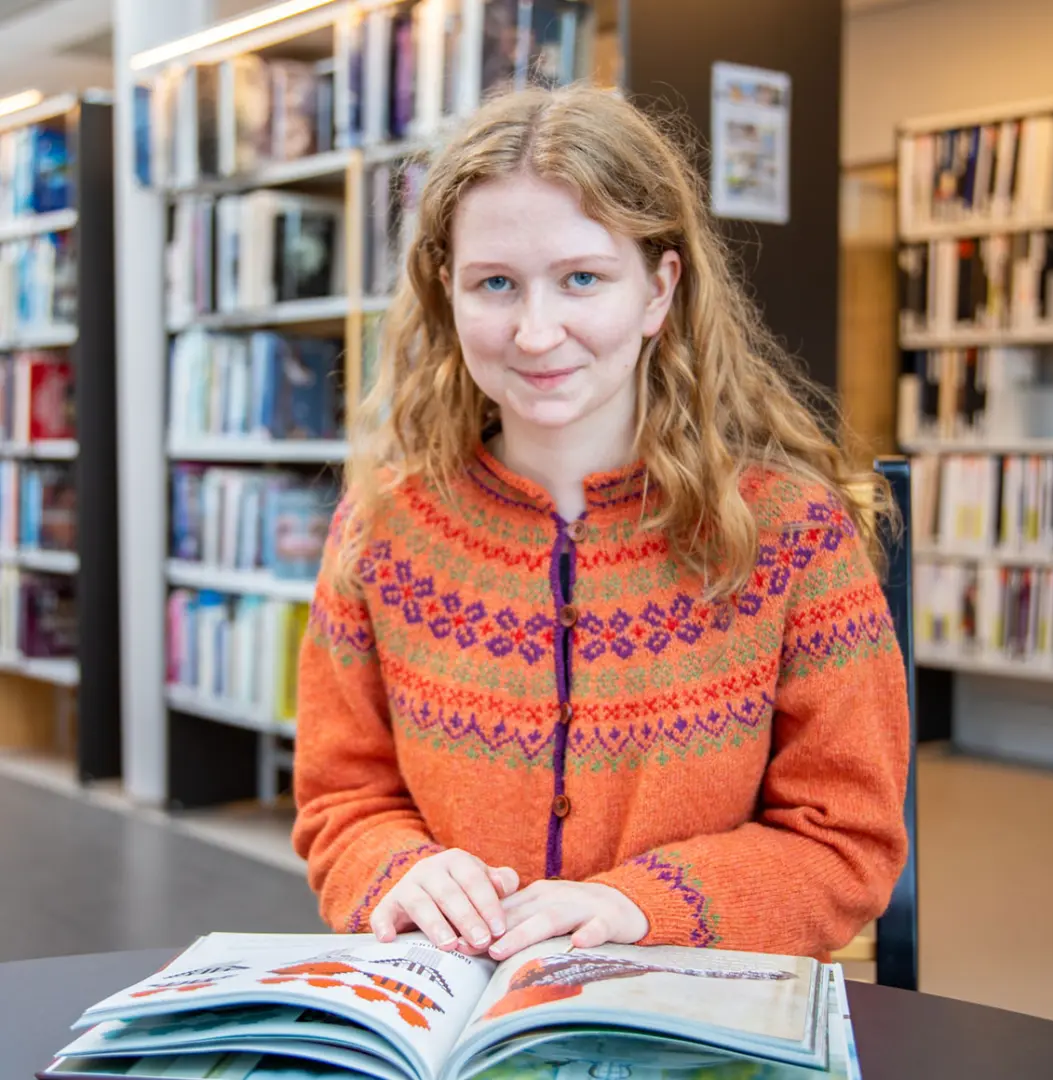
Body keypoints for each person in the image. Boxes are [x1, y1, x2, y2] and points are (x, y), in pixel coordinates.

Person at [292, 83, 910, 964]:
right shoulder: (383, 529)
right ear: (446, 292)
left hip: (690, 1009)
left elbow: (848, 842)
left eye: (582, 278)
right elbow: (339, 799)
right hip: (456, 1014)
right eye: (495, 284)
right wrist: (396, 867)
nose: (537, 333)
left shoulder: (791, 534)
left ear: (659, 291)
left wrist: (641, 908)